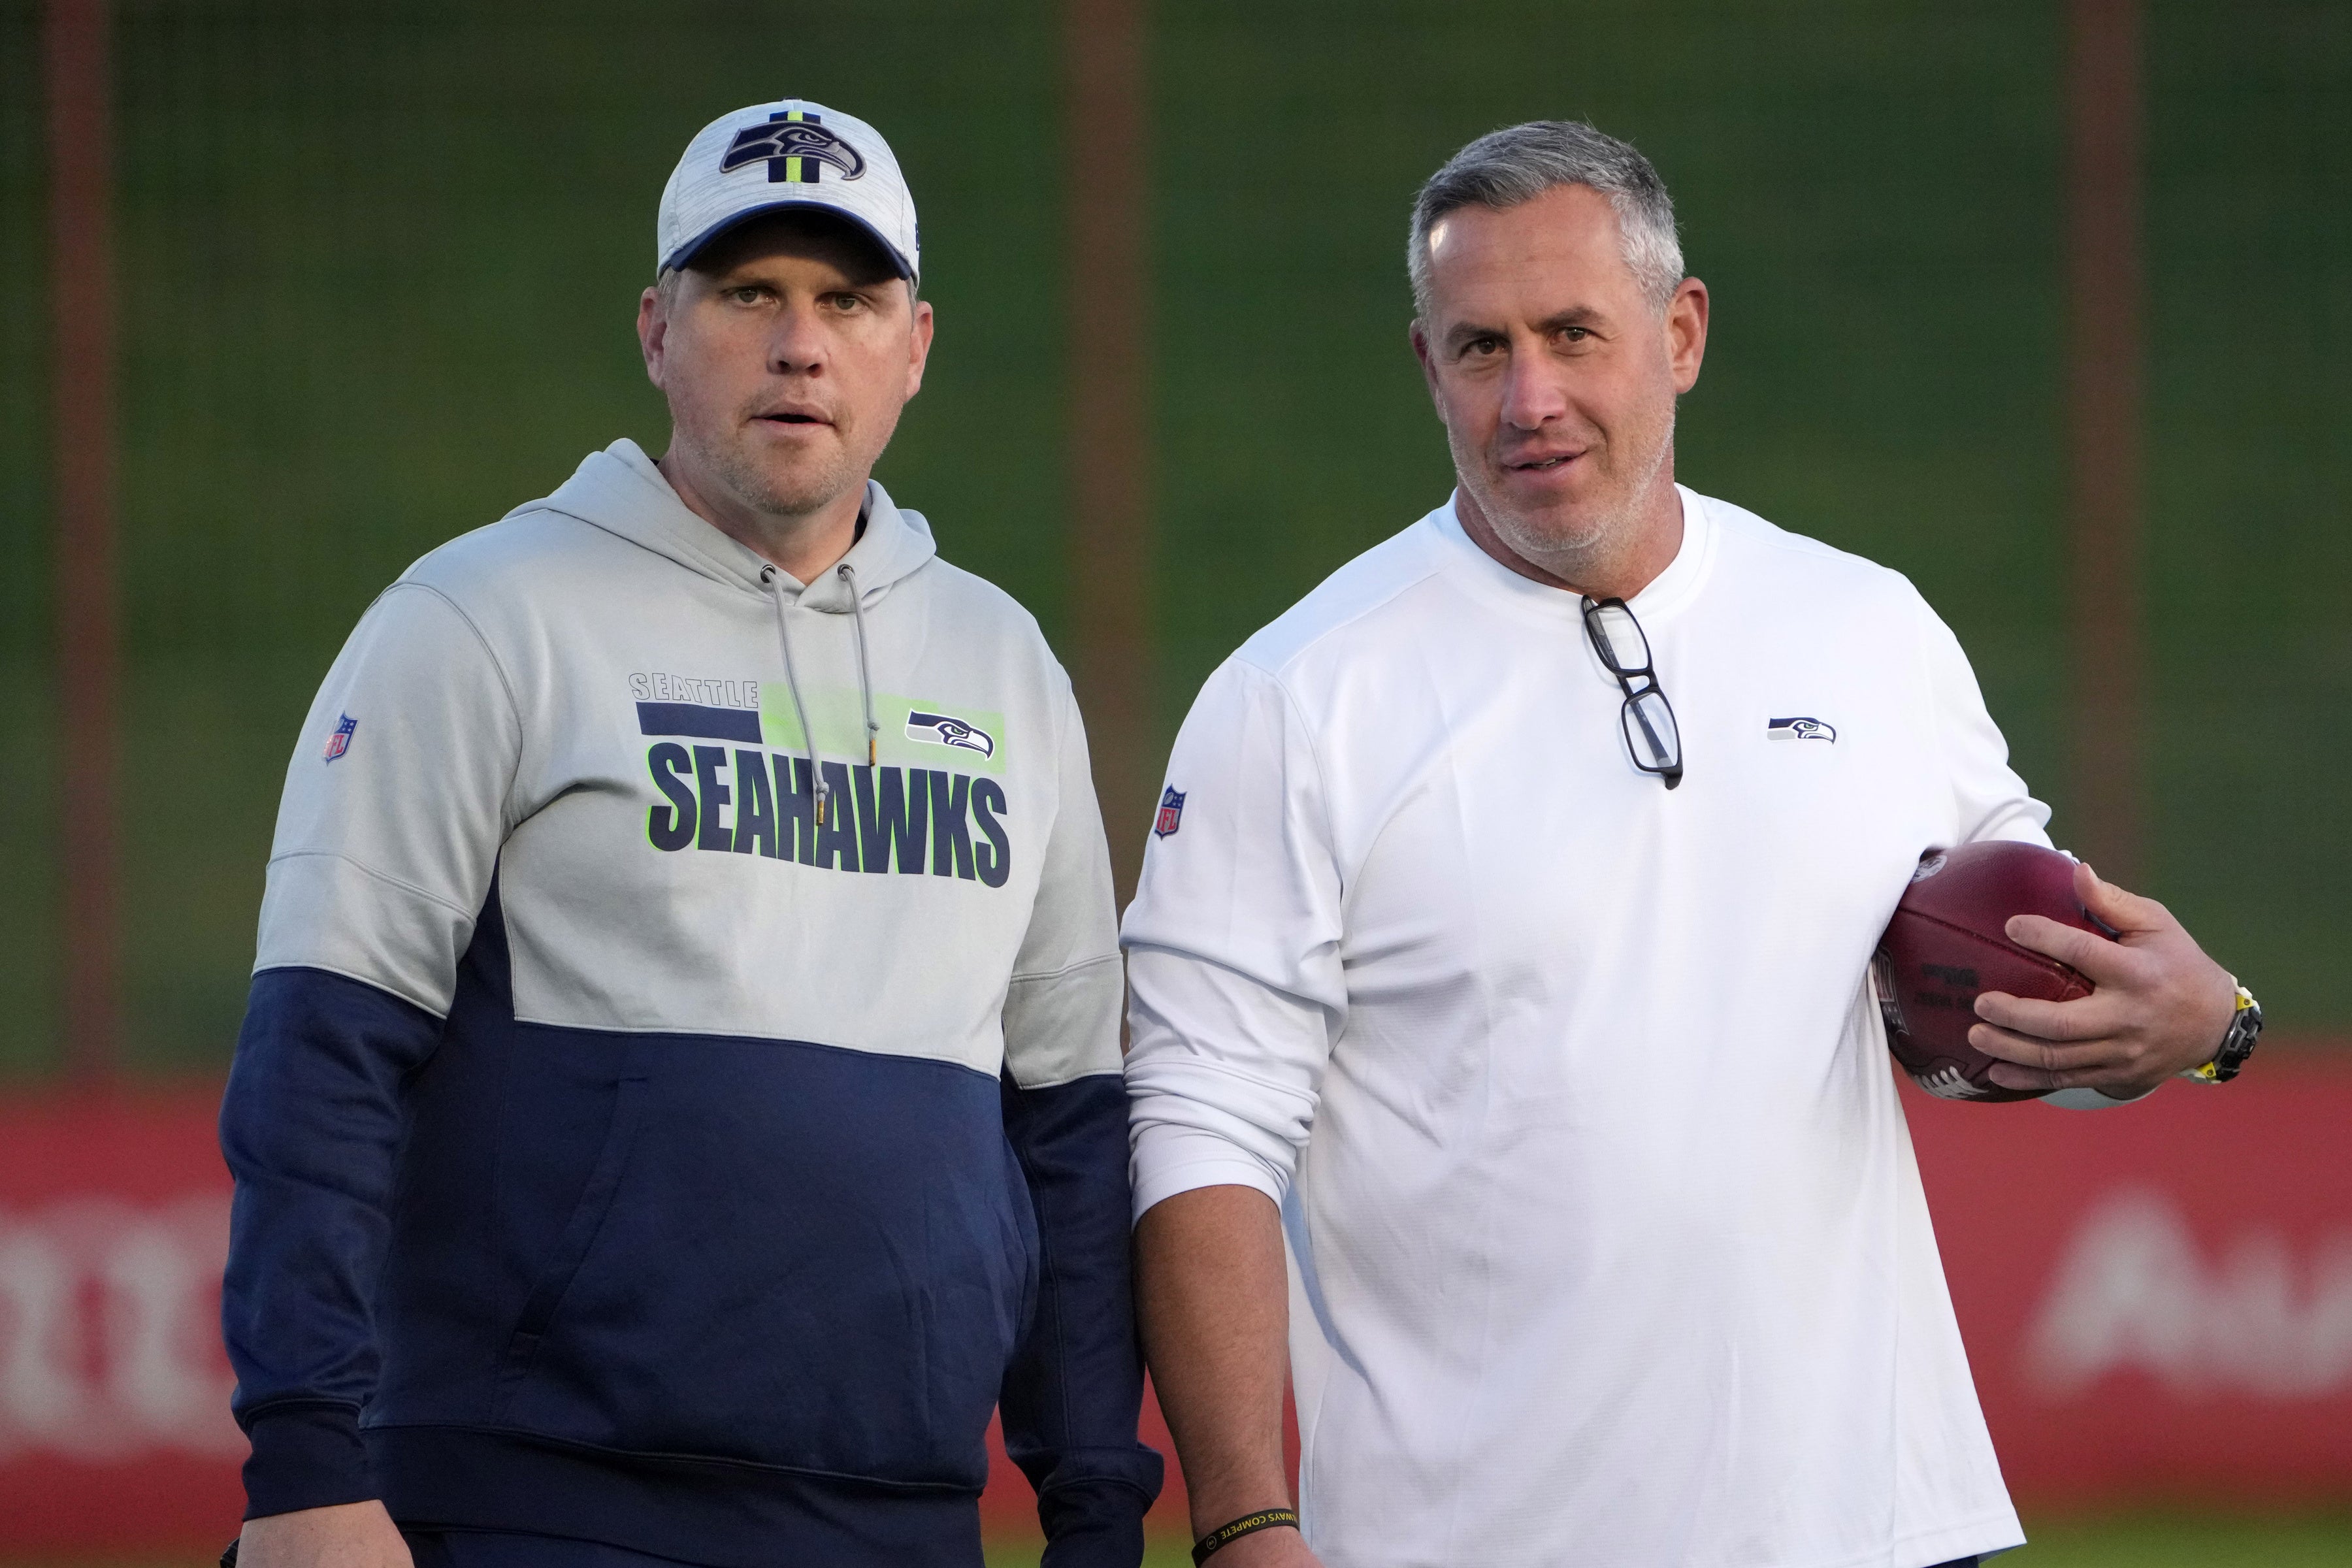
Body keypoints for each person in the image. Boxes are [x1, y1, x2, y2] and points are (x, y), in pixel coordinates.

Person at [1120, 122, 2259, 1568]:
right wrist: (1244, 1520)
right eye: (1481, 348)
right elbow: (1201, 1125)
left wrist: (2208, 1027)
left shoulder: (1869, 630)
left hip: (1879, 1527)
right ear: (1426, 366)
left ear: (1682, 334)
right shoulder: (1295, 698)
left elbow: (2029, 993)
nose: (1530, 398)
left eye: (1574, 334)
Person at [220, 100, 1160, 1568]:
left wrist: (1096, 1514)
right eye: (748, 294)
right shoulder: (480, 619)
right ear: (658, 330)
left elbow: (1071, 1132)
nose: (801, 346)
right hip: (536, 1509)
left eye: (848, 301)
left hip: (903, 1522)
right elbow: (320, 1068)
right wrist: (303, 1470)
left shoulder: (1005, 668)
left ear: (915, 345)